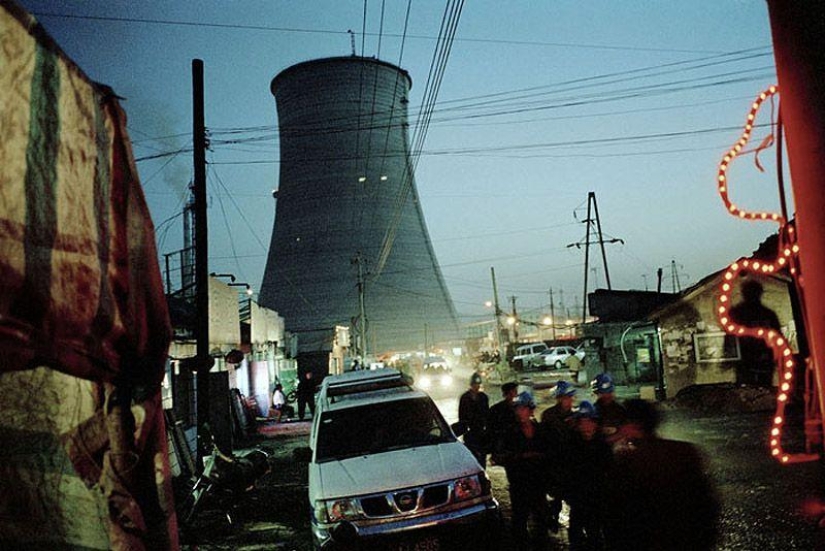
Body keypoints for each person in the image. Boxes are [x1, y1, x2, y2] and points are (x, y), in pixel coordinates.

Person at [605, 399, 720, 551]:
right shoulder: (685, 451)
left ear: (633, 426)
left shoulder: (628, 461)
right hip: (686, 540)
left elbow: (618, 516)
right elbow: (705, 503)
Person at [491, 391, 551, 549]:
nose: (520, 412)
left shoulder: (541, 431)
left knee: (541, 523)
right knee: (519, 523)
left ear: (530, 410)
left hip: (538, 485)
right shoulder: (510, 432)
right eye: (518, 409)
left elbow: (550, 452)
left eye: (523, 408)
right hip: (519, 486)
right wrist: (522, 456)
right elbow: (499, 456)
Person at [566, 400, 612, 550]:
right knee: (576, 536)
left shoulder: (602, 445)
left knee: (595, 535)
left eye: (589, 422)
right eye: (582, 422)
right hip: (578, 498)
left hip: (598, 498)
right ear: (577, 424)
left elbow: (609, 469)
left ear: (595, 423)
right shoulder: (571, 444)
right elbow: (564, 470)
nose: (586, 426)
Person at [540, 380, 578, 532]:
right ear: (558, 398)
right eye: (564, 398)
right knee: (556, 495)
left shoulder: (576, 416)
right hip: (554, 462)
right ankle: (552, 517)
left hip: (570, 462)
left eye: (570, 398)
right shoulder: (549, 416)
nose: (568, 401)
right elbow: (543, 439)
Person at [729, 279, 782, 386]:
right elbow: (730, 337)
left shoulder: (768, 314)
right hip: (747, 361)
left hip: (762, 361)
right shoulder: (738, 313)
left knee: (759, 389)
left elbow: (778, 338)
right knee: (749, 390)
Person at [458, 372, 490, 467]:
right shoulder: (465, 398)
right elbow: (461, 415)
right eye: (475, 385)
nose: (476, 387)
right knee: (472, 456)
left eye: (478, 385)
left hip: (481, 431)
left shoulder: (483, 397)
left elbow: (486, 414)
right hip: (469, 432)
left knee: (482, 456)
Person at [590, 373, 626, 447]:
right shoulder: (593, 411)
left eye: (609, 392)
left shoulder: (620, 409)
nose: (607, 395)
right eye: (603, 393)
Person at [487, 381, 519, 458]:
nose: (516, 392)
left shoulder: (519, 407)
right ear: (509, 393)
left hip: (515, 442)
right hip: (505, 443)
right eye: (514, 390)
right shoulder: (497, 409)